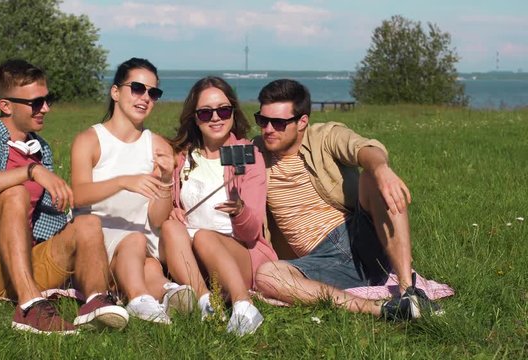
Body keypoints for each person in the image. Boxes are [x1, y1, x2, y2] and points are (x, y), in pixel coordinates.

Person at [0, 59, 128, 334]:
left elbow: (45, 220)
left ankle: (96, 303)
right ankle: (30, 307)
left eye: (48, 99)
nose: (46, 108)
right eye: (36, 102)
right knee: (15, 195)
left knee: (88, 223)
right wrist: (30, 171)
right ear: (6, 106)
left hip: (24, 265)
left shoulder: (40, 148)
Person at [253, 79, 442, 320]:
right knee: (267, 276)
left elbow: (364, 148)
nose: (268, 129)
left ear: (302, 122)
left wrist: (381, 168)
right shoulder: (255, 152)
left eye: (279, 123)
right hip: (319, 261)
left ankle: (409, 290)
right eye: (262, 120)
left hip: (357, 236)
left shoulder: (324, 136)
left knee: (370, 177)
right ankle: (386, 310)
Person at [71, 57, 192, 325]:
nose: (145, 97)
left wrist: (164, 180)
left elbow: (158, 218)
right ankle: (140, 298)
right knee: (135, 244)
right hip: (97, 244)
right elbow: (77, 196)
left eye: (153, 92)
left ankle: (166, 294)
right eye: (137, 88)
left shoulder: (158, 145)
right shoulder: (90, 140)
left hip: (142, 247)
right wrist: (123, 181)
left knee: (145, 259)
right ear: (115, 92)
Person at [158, 76, 278, 335]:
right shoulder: (182, 156)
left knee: (204, 237)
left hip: (238, 254)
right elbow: (169, 202)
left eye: (223, 110)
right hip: (192, 261)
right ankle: (206, 304)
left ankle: (244, 305)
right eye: (205, 112)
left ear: (233, 113)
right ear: (194, 117)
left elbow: (252, 231)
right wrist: (172, 208)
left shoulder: (246, 155)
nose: (216, 118)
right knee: (169, 228)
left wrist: (240, 210)